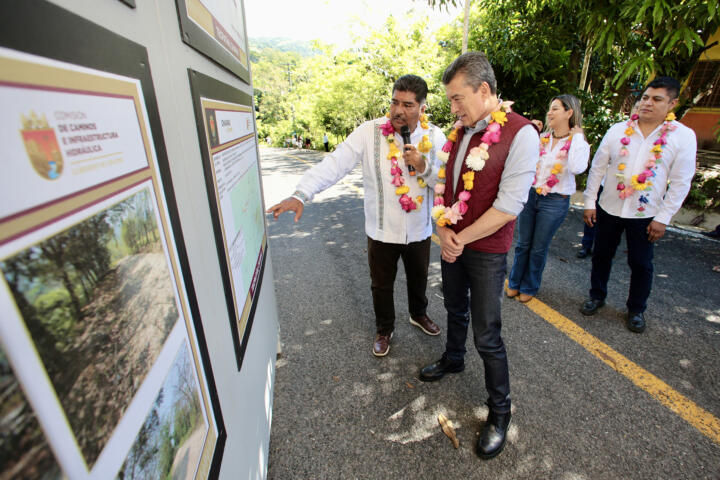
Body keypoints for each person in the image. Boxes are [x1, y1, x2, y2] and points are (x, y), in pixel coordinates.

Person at [267, 74, 447, 357]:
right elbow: (335, 164)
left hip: (419, 229)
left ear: (423, 108)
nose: (399, 110)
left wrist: (423, 166)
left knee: (419, 278)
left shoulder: (436, 137)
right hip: (381, 230)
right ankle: (385, 328)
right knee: (381, 285)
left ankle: (418, 314)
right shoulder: (368, 132)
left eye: (408, 105)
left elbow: (446, 182)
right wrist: (301, 194)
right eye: (395, 102)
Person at [418, 52, 539, 459]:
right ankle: (453, 358)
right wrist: (442, 229)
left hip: (485, 250)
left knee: (487, 335)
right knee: (454, 307)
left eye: (457, 98)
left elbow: (509, 206)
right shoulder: (458, 132)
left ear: (483, 90)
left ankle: (500, 413)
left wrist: (460, 237)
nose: (452, 109)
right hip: (453, 241)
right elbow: (442, 187)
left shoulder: (522, 133)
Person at [580, 77, 697, 333]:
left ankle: (636, 309)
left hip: (646, 213)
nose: (647, 103)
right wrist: (589, 202)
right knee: (601, 255)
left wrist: (663, 218)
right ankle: (596, 296)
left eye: (656, 99)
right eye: (645, 97)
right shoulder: (618, 130)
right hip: (608, 207)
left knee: (641, 263)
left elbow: (680, 181)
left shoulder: (683, 137)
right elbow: (598, 168)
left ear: (672, 103)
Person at [506, 94, 590, 302]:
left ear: (569, 113)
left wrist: (578, 136)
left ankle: (529, 286)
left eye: (555, 109)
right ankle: (515, 282)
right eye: (549, 109)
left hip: (555, 201)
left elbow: (578, 167)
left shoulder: (578, 143)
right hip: (531, 195)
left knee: (538, 247)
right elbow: (517, 155)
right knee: (523, 243)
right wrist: (530, 131)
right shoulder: (542, 138)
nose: (549, 113)